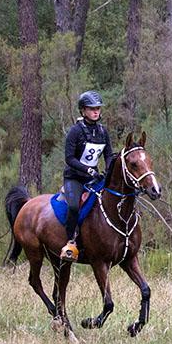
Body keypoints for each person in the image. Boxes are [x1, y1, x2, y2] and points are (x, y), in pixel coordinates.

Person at [60, 90, 113, 261]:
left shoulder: (103, 132)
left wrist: (109, 171)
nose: (96, 111)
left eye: (97, 108)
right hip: (74, 177)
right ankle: (70, 243)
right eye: (91, 109)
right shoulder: (75, 131)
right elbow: (69, 158)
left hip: (93, 178)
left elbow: (108, 155)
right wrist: (88, 170)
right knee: (75, 207)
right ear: (83, 110)